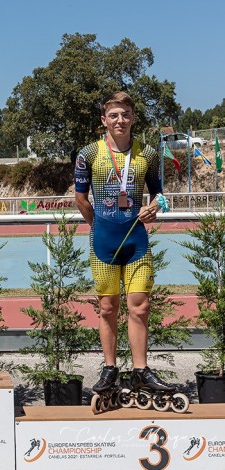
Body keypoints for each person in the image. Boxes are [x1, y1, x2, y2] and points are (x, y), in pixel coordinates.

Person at [74, 91, 174, 395]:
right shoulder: (88, 154)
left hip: (137, 241)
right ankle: (110, 369)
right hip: (103, 239)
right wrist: (97, 225)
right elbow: (80, 197)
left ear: (133, 118)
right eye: (114, 115)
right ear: (104, 120)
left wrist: (154, 209)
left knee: (140, 307)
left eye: (125, 114)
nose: (120, 120)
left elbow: (159, 196)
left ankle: (141, 370)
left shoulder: (148, 154)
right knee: (107, 307)